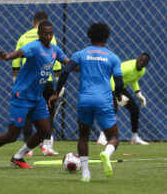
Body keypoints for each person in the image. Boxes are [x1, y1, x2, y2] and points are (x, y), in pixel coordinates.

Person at [0, 20, 69, 169]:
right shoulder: (34, 46)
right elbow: (19, 53)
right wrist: (6, 57)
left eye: (50, 33)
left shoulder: (55, 50)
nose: (48, 36)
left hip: (37, 98)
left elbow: (68, 62)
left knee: (45, 131)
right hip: (22, 95)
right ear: (39, 34)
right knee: (12, 135)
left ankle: (18, 157)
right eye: (45, 33)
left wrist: (81, 65)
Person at [48, 23, 126, 182]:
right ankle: (107, 153)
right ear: (107, 37)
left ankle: (85, 173)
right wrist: (118, 95)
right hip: (104, 100)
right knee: (113, 137)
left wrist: (57, 92)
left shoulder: (80, 54)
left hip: (84, 100)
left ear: (89, 36)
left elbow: (65, 72)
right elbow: (119, 83)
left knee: (83, 136)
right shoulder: (113, 57)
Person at [12, 11, 62, 157]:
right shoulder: (51, 37)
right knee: (50, 109)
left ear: (33, 21)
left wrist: (15, 79)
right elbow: (56, 60)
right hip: (46, 80)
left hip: (28, 82)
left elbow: (16, 61)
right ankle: (47, 145)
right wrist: (60, 82)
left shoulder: (24, 37)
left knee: (26, 112)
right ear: (45, 22)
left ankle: (28, 146)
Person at [97, 52, 151, 146]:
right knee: (113, 109)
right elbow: (112, 77)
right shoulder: (128, 67)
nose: (141, 62)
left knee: (134, 109)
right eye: (140, 59)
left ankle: (135, 138)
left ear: (146, 64)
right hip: (108, 85)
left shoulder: (142, 71)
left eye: (144, 61)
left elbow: (133, 80)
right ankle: (102, 138)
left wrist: (138, 94)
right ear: (137, 58)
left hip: (120, 87)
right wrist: (116, 94)